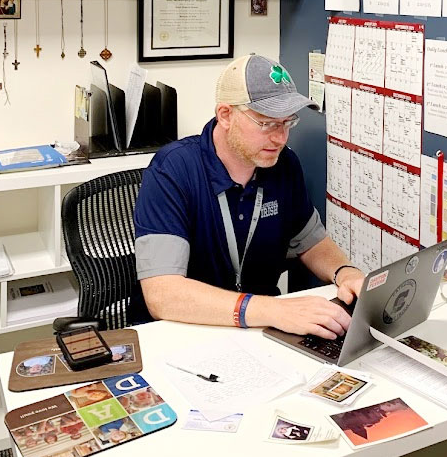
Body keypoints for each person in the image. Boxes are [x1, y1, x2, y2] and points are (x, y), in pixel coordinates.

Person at [134, 54, 365, 340]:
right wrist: (274, 310)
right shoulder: (173, 170)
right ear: (226, 115)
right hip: (186, 332)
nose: (280, 138)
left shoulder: (284, 164)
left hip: (259, 330)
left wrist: (346, 272)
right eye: (267, 123)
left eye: (287, 123)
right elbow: (162, 295)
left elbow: (312, 242)